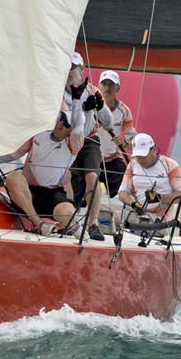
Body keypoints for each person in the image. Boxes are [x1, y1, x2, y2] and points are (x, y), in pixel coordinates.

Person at [0, 79, 88, 236]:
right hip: (28, 192)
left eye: (66, 124)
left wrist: (75, 101)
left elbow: (79, 126)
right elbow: (15, 154)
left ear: (71, 131)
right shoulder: (40, 133)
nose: (60, 124)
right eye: (61, 119)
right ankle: (39, 224)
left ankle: (73, 228)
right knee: (14, 177)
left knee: (67, 212)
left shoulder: (72, 143)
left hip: (52, 194)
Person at [62, 56, 114, 242]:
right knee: (64, 177)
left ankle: (93, 223)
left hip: (89, 140)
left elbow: (109, 121)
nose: (70, 71)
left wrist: (99, 107)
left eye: (74, 67)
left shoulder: (92, 91)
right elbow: (70, 124)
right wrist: (83, 108)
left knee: (92, 176)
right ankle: (70, 222)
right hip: (65, 139)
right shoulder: (58, 91)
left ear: (81, 69)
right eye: (67, 66)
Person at [117, 133, 181, 221]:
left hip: (162, 220)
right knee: (112, 216)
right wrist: (133, 204)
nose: (140, 159)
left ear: (154, 149)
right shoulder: (132, 164)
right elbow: (122, 193)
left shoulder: (170, 164)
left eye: (143, 155)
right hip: (139, 214)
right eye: (137, 155)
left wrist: (159, 197)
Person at [97, 69, 137, 197]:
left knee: (124, 189)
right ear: (99, 86)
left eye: (111, 85)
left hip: (112, 158)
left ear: (117, 88)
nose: (107, 88)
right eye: (104, 84)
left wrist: (124, 142)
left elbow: (133, 142)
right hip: (90, 158)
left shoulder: (124, 111)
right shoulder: (89, 106)